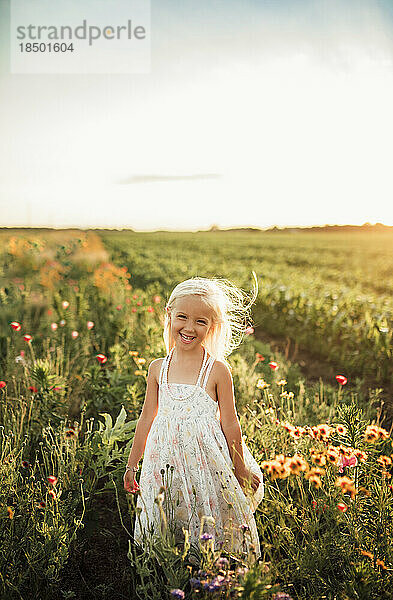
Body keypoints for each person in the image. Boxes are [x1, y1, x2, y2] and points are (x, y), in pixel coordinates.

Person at [124, 273, 264, 559]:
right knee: (167, 511)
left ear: (212, 327)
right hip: (162, 459)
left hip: (203, 461)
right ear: (169, 315)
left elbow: (230, 423)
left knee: (205, 513)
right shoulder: (157, 368)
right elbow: (147, 417)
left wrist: (239, 469)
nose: (189, 327)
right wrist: (132, 464)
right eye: (183, 317)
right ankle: (168, 565)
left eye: (200, 321)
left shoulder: (217, 371)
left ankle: (211, 566)